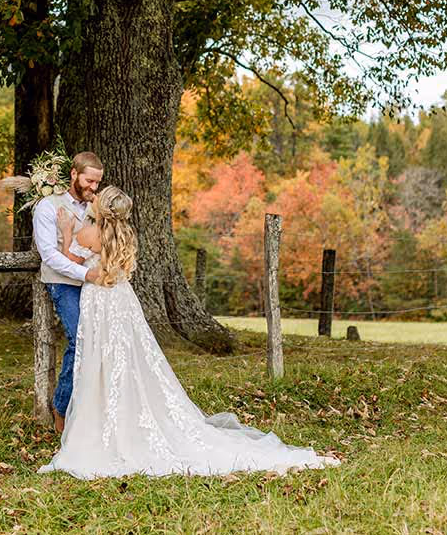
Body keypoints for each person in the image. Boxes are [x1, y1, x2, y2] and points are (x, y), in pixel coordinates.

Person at [39, 186, 340, 478]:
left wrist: (66, 231)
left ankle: (104, 418)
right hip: (121, 301)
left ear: (100, 209)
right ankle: (127, 413)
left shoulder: (87, 233)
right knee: (128, 357)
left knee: (100, 357)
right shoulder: (124, 235)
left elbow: (68, 259)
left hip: (99, 302)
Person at [31, 151, 104, 433]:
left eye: (97, 183)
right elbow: (49, 255)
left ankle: (89, 410)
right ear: (74, 174)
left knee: (100, 341)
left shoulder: (97, 206)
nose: (93, 188)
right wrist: (85, 273)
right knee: (80, 339)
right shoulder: (48, 207)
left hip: (96, 285)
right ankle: (61, 409)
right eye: (89, 181)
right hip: (64, 283)